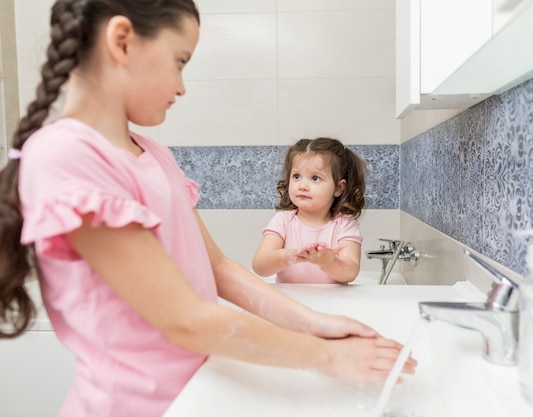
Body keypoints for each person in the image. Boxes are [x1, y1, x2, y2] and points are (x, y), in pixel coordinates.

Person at [0, 1, 416, 416]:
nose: (182, 87)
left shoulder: (152, 153)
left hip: (194, 391)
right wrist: (326, 358)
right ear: (122, 41)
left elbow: (218, 268)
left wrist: (317, 324)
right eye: (179, 61)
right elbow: (184, 319)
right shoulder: (66, 156)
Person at [252, 138, 367, 284]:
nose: (302, 186)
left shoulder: (344, 224)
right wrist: (288, 256)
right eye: (297, 176)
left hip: (332, 303)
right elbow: (259, 266)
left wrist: (328, 262)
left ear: (338, 188)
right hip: (291, 300)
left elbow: (350, 272)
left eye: (315, 178)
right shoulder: (283, 220)